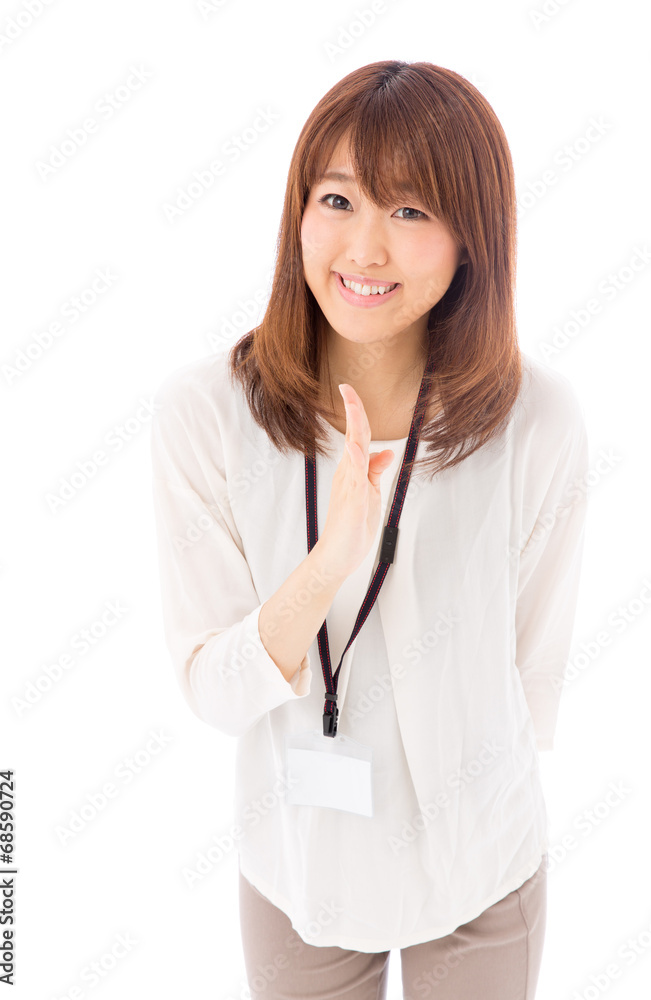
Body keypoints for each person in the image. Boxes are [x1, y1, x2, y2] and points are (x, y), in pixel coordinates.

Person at [150, 59, 589, 1000]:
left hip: (482, 868)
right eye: (339, 199)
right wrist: (330, 561)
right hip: (300, 868)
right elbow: (212, 693)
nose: (365, 249)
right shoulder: (205, 413)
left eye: (412, 211)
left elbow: (532, 669)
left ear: (472, 237)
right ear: (297, 214)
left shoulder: (536, 420)